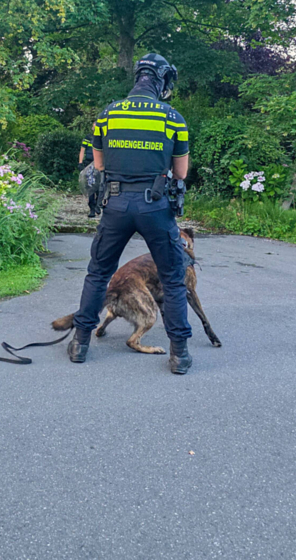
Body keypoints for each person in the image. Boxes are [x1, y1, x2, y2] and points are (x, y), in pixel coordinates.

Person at [65, 53, 194, 374]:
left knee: (97, 273)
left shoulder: (108, 114)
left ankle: (81, 343)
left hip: (117, 204)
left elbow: (98, 167)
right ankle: (179, 355)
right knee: (174, 280)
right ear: (163, 80)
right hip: (156, 206)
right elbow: (180, 173)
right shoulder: (173, 118)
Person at [78, 134, 101, 217]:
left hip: (99, 164)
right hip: (89, 164)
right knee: (90, 187)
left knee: (99, 187)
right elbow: (82, 150)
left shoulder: (103, 137)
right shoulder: (88, 138)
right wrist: (80, 162)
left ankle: (98, 205)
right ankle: (92, 208)